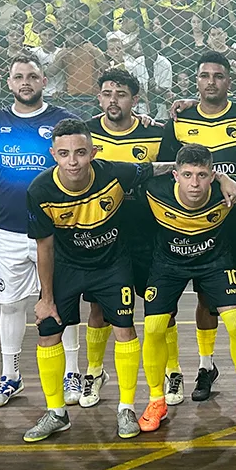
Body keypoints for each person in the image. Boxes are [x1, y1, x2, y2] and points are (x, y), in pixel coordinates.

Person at [23, 119, 174, 442]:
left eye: (80, 152)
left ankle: (126, 407)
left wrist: (212, 173)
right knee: (48, 330)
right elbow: (44, 247)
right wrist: (45, 297)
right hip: (67, 267)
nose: (73, 161)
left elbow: (159, 168)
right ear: (53, 154)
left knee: (124, 329)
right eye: (64, 154)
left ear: (93, 152)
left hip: (112, 265)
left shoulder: (115, 173)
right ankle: (56, 413)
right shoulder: (39, 190)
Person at [158, 51, 236, 402]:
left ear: (229, 81)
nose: (210, 81)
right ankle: (205, 365)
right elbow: (167, 165)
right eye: (204, 76)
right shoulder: (179, 120)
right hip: (199, 225)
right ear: (196, 81)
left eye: (217, 76)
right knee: (206, 297)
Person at [138, 144, 236, 432]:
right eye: (187, 175)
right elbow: (118, 174)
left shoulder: (228, 190)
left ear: (212, 175)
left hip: (215, 261)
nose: (194, 183)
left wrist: (227, 179)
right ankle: (155, 399)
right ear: (175, 175)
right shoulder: (153, 189)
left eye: (201, 175)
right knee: (153, 328)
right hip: (168, 264)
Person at [0, 55, 83, 410]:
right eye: (19, 76)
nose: (26, 82)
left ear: (44, 81)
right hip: (8, 228)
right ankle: (11, 375)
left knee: (62, 302)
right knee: (10, 306)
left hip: (55, 229)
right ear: (9, 82)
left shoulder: (63, 121)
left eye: (33, 76)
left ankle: (73, 372)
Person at [84, 68, 166, 405]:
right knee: (99, 309)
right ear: (99, 98)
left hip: (147, 232)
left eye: (121, 94)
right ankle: (93, 372)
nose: (113, 100)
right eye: (107, 93)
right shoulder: (86, 134)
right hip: (102, 235)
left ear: (135, 99)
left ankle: (171, 372)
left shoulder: (156, 134)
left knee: (159, 307)